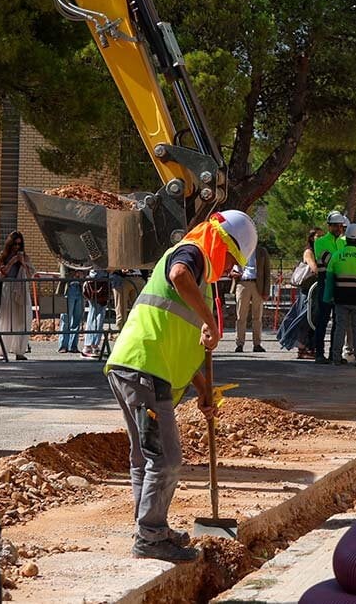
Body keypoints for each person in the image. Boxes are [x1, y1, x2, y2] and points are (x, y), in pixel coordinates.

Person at [104, 210, 257, 562]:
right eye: (233, 259)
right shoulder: (194, 252)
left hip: (138, 365)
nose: (232, 269)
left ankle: (150, 530)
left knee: (146, 457)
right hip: (144, 367)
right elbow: (178, 274)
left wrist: (203, 387)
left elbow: (177, 341)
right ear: (223, 243)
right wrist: (209, 320)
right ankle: (152, 537)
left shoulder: (199, 276)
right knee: (167, 458)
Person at [326, 224, 356, 366]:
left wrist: (331, 295)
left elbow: (330, 278)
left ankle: (336, 358)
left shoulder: (337, 255)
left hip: (341, 298)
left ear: (346, 238)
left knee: (340, 327)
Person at [312, 211, 349, 364]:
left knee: (338, 322)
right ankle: (319, 353)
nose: (338, 229)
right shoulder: (320, 242)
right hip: (326, 283)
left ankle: (335, 354)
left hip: (339, 285)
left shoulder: (342, 243)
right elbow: (329, 260)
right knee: (322, 319)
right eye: (335, 226)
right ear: (329, 226)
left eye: (340, 226)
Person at [278, 229, 321, 358]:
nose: (322, 238)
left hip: (315, 290)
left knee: (313, 319)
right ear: (312, 238)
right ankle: (302, 348)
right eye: (319, 236)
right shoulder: (309, 252)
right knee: (304, 318)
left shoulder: (320, 251)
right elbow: (314, 268)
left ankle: (308, 347)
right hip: (308, 290)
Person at [0, 231, 35, 361]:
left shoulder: (25, 257)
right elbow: (0, 274)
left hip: (22, 289)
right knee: (6, 319)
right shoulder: (3, 256)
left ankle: (20, 351)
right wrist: (11, 261)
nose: (17, 247)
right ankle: (2, 351)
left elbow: (31, 274)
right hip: (8, 288)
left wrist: (23, 262)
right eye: (14, 244)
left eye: (19, 244)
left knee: (23, 319)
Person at [231, 243, 270, 352]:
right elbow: (230, 266)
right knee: (240, 316)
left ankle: (257, 344)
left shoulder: (262, 251)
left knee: (257, 316)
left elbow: (267, 271)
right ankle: (239, 344)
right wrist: (232, 273)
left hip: (258, 285)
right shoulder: (239, 250)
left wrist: (266, 291)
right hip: (242, 284)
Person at [82, 270, 111, 357]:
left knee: (99, 318)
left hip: (103, 281)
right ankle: (88, 345)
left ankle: (94, 345)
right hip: (97, 282)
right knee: (94, 316)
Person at [57, 266, 86, 353]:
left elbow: (86, 273)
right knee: (66, 319)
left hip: (79, 289)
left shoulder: (81, 262)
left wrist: (82, 275)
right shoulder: (65, 261)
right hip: (69, 289)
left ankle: (73, 345)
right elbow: (63, 276)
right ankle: (63, 345)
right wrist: (75, 273)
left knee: (77, 320)